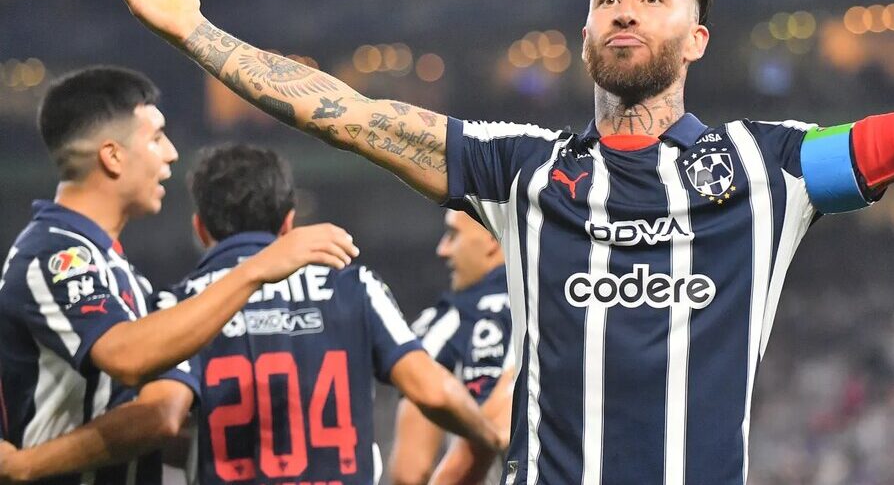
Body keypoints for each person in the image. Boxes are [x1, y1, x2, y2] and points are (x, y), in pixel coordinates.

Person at [95, 0, 894, 484]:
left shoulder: (773, 168)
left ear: (697, 36)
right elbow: (348, 114)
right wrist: (197, 34)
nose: (622, 10)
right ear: (585, 34)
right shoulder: (523, 169)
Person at [0, 66, 359, 484]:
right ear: (112, 156)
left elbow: (160, 417)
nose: (171, 153)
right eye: (156, 138)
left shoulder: (121, 273)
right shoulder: (54, 255)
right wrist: (258, 268)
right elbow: (127, 359)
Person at [170, 143, 502, 485]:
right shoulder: (355, 287)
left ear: (200, 228)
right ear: (287, 223)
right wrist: (491, 435)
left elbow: (164, 416)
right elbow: (434, 392)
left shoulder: (181, 307)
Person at [389, 210, 512, 485]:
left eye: (453, 235)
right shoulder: (560, 308)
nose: (442, 249)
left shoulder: (446, 324)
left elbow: (411, 471)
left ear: (493, 238)